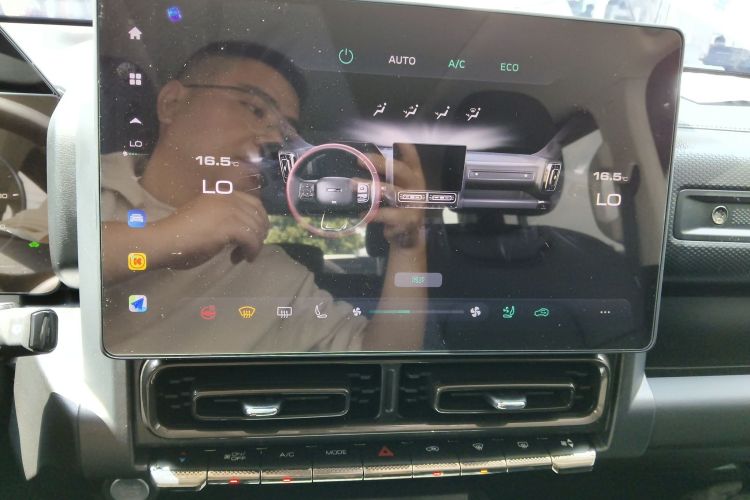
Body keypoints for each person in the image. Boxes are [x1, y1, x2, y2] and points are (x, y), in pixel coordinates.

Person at [96, 41, 427, 354]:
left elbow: (381, 355)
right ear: (171, 103)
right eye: (254, 109)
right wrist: (170, 237)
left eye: (285, 133)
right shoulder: (89, 183)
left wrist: (409, 247)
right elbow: (60, 264)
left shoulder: (276, 276)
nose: (272, 140)